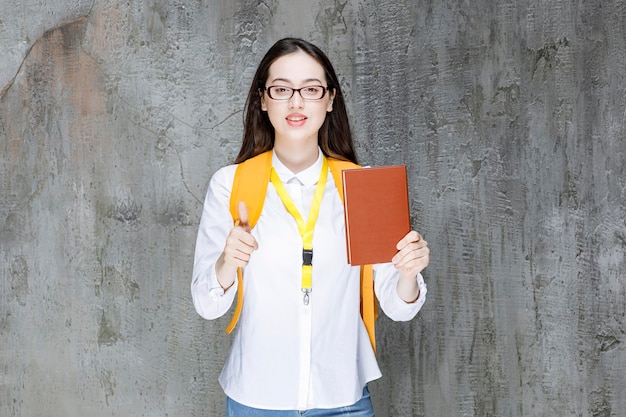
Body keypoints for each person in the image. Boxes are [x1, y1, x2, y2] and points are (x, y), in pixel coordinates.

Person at [191, 38, 430, 416]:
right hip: (256, 399)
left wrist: (408, 272)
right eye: (282, 89)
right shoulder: (231, 184)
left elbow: (399, 307)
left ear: (330, 99)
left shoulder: (363, 186)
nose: (296, 102)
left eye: (311, 89)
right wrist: (225, 263)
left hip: (343, 400)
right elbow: (206, 306)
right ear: (263, 99)